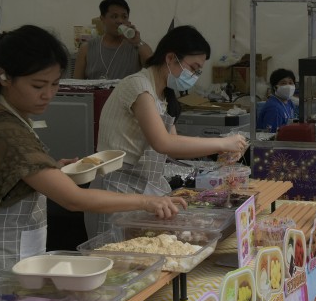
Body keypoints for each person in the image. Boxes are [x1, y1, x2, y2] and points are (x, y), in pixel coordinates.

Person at [0, 26, 184, 288]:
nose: (48, 94)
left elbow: (11, 180)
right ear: (4, 76)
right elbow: (74, 199)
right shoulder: (4, 130)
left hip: (17, 255)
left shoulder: (13, 120)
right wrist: (146, 201)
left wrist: (53, 172)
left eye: (55, 83)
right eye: (38, 85)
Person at [85, 25, 249, 238]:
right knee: (117, 261)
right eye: (193, 68)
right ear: (171, 58)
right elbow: (163, 143)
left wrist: (218, 150)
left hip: (144, 188)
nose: (195, 75)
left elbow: (173, 145)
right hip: (117, 190)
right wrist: (222, 142)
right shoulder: (138, 87)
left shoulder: (162, 95)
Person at [73, 0, 153, 80]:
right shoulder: (87, 48)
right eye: (114, 16)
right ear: (102, 19)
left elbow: (153, 68)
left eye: (124, 17)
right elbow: (76, 83)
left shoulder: (137, 47)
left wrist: (138, 42)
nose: (120, 21)